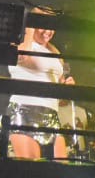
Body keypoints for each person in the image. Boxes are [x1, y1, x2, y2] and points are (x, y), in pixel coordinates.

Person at [6, 13, 75, 160]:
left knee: (61, 167)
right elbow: (21, 57)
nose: (48, 32)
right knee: (31, 166)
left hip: (51, 115)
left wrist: (67, 88)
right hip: (25, 111)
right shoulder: (21, 44)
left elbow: (60, 96)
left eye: (51, 28)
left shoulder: (54, 51)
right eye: (43, 26)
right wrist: (29, 27)